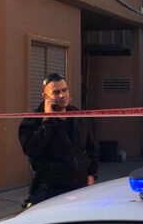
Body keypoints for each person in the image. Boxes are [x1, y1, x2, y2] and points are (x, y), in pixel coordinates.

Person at [18, 73, 98, 207]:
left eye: (65, 90)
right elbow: (33, 150)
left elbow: (92, 148)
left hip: (80, 188)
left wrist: (92, 174)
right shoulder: (33, 121)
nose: (62, 95)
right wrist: (47, 121)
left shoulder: (79, 117)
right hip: (50, 191)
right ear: (45, 96)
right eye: (56, 92)